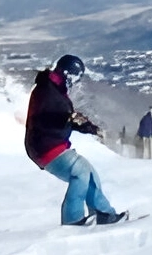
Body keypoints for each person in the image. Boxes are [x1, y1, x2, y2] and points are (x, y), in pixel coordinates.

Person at [24, 54, 127, 225]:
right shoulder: (46, 90)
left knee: (89, 174)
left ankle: (103, 213)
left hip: (53, 144)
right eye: (74, 77)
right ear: (68, 74)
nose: (74, 82)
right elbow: (45, 118)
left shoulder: (54, 89)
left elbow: (62, 116)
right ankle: (72, 219)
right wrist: (67, 119)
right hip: (44, 147)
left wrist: (83, 125)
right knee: (79, 172)